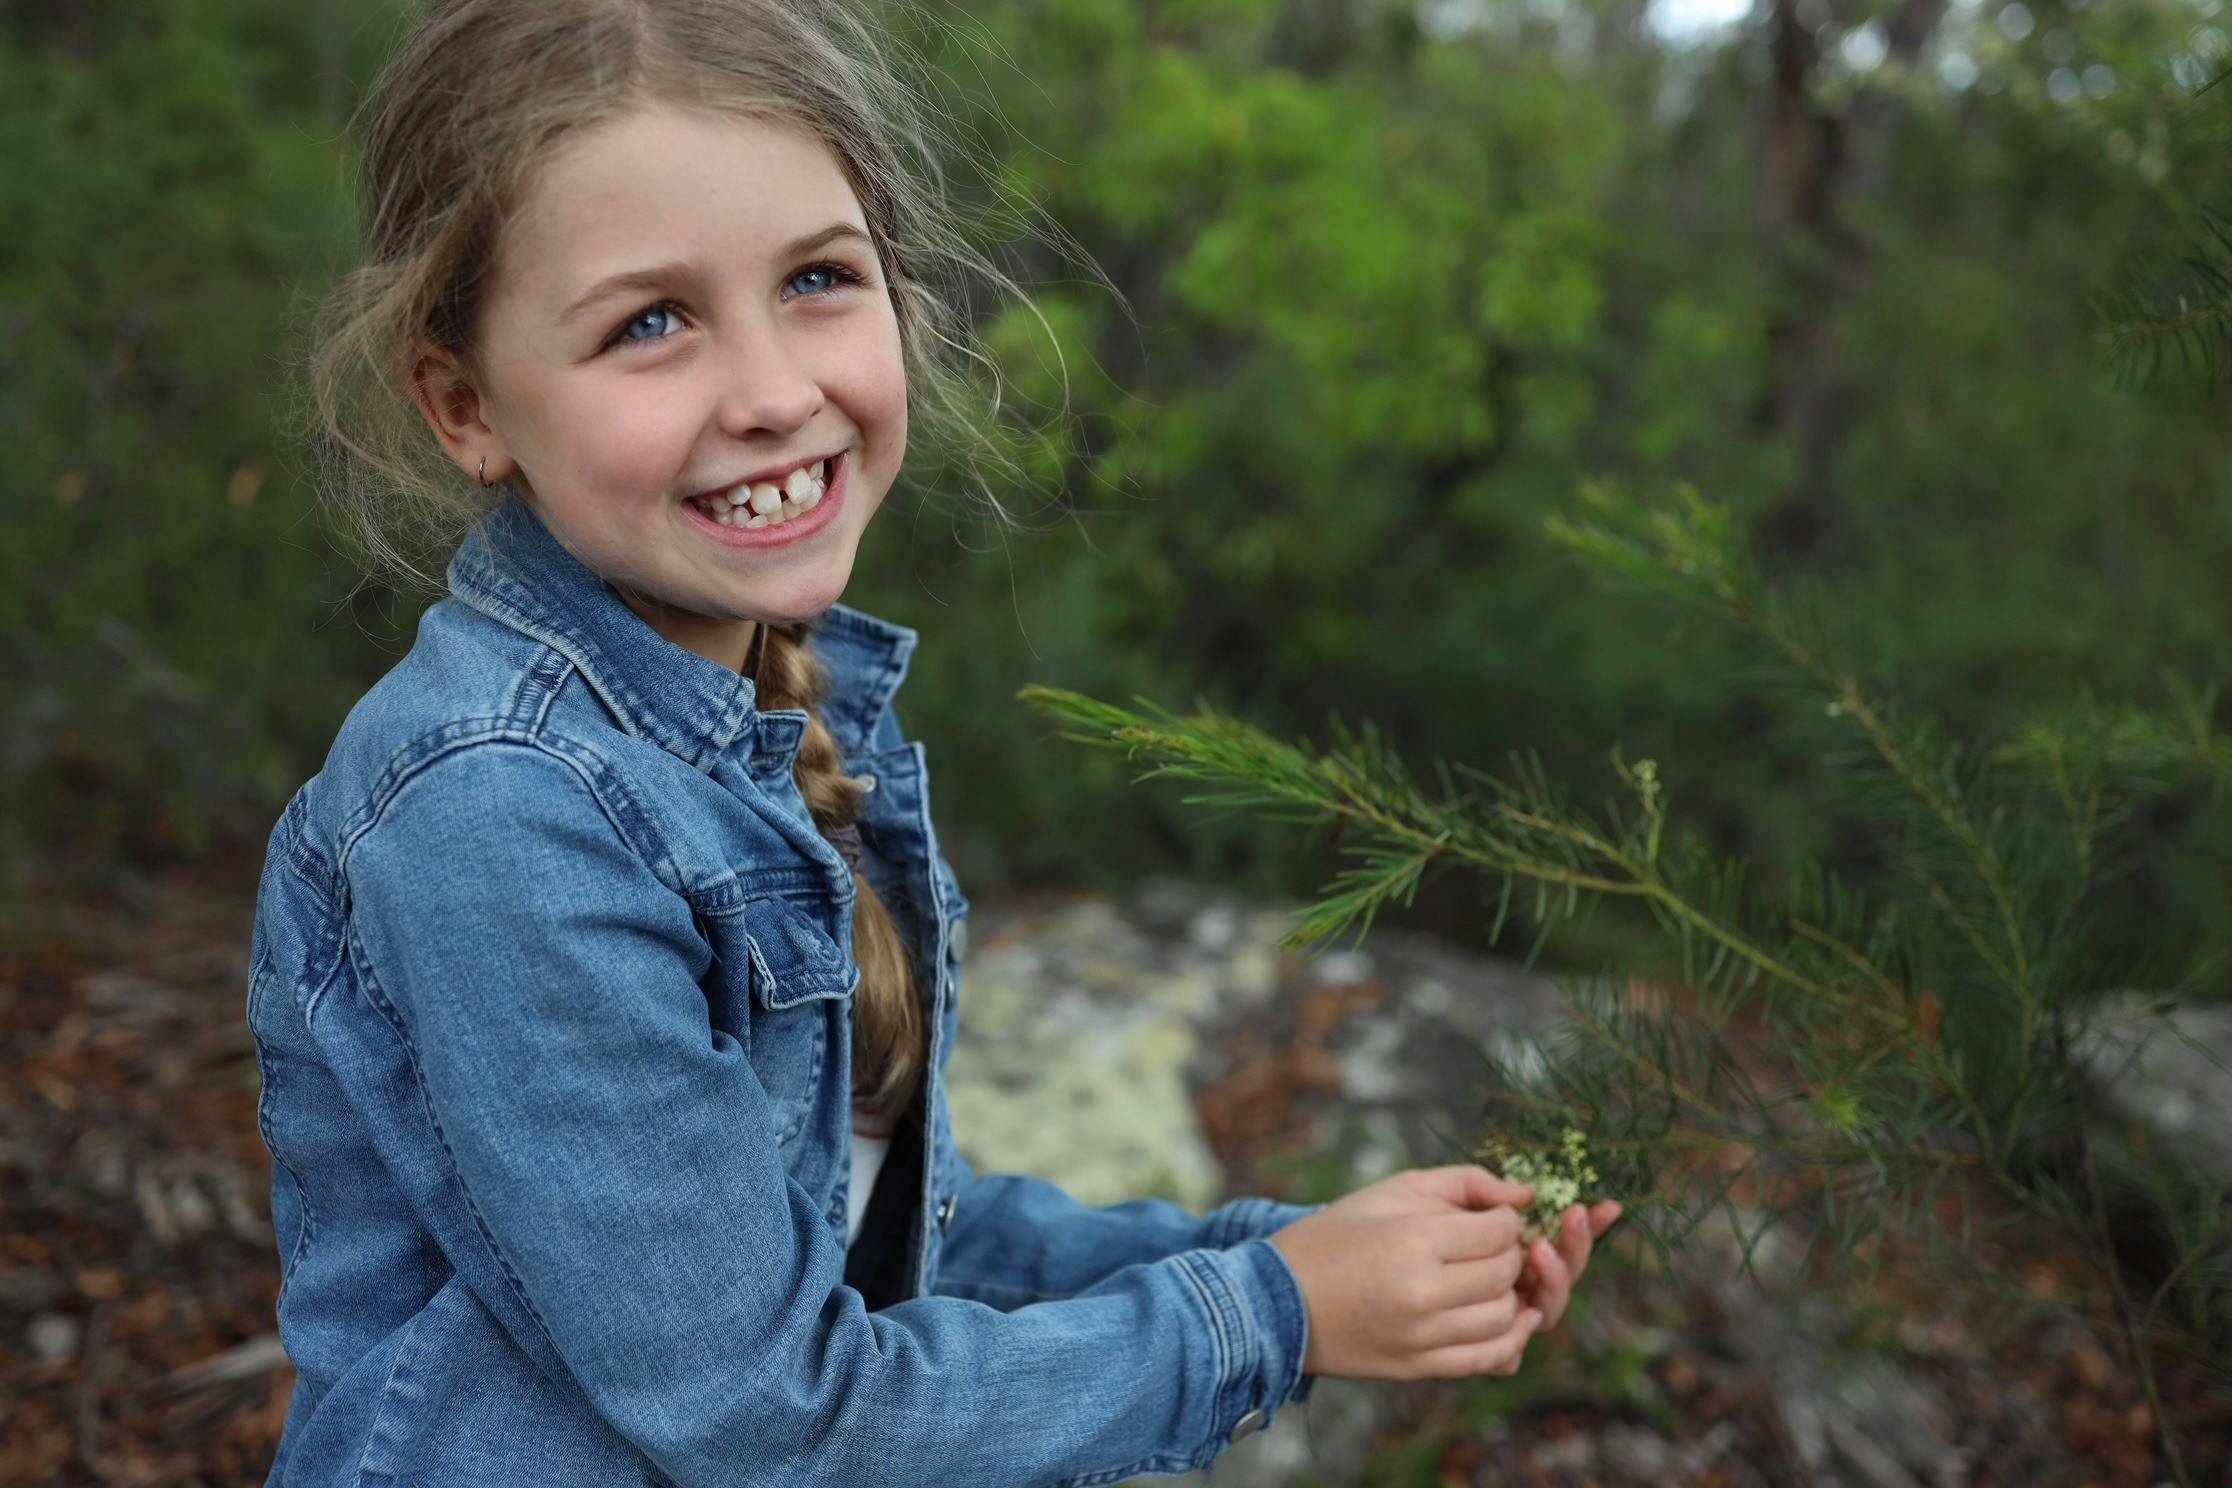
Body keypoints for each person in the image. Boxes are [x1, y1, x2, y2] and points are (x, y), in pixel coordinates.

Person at [246, 2, 1622, 1484]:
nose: (775, 393)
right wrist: (1272, 1314)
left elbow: (891, 1238)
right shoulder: (498, 811)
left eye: (819, 281)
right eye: (650, 322)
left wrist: (1311, 1257)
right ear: (467, 406)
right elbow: (777, 1416)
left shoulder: (778, 715)